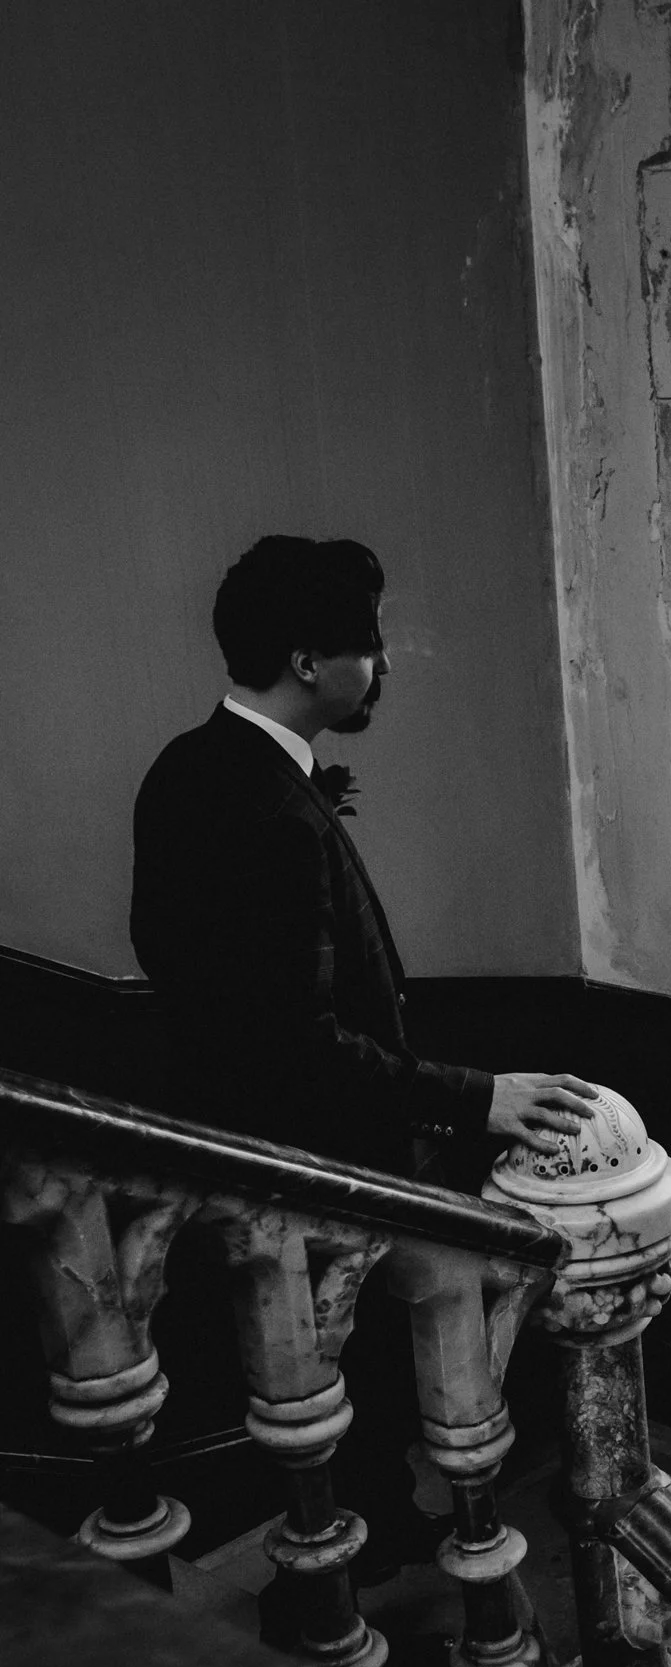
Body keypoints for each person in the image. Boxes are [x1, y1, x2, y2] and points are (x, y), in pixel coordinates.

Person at [132, 534, 597, 1578]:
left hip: (233, 1154)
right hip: (316, 1174)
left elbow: (175, 967)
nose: (382, 664)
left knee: (336, 1403)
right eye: (368, 644)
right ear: (307, 661)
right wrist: (479, 1097)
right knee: (350, 1386)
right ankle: (356, 1579)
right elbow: (299, 1045)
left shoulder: (183, 770)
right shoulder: (274, 817)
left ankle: (366, 1544)